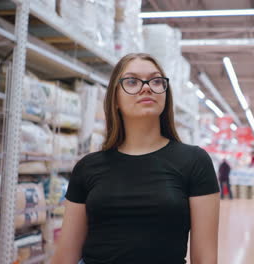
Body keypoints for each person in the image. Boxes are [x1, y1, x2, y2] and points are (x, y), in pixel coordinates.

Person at [52, 53, 220, 264]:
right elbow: (65, 256)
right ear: (115, 100)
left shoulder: (194, 161)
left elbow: (205, 258)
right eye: (132, 81)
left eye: (156, 80)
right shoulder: (87, 167)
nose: (147, 87)